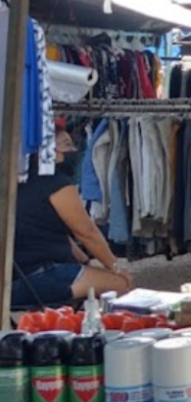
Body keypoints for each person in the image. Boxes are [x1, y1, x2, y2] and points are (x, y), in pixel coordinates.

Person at [12, 129, 132, 307]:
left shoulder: (21, 180)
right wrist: (115, 267)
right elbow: (86, 232)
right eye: (67, 145)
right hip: (43, 277)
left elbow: (59, 234)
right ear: (49, 151)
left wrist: (86, 261)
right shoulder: (56, 183)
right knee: (123, 285)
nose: (73, 150)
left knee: (96, 277)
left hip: (17, 279)